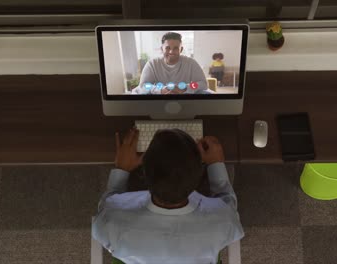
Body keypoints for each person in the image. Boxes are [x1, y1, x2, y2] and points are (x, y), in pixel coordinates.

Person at [92, 127, 244, 264]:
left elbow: (107, 205)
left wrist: (122, 168)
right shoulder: (223, 223)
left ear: (143, 172)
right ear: (199, 174)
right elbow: (228, 204)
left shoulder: (110, 223)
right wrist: (216, 163)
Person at [133, 32, 210, 95]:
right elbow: (144, 85)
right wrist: (160, 90)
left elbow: (203, 84)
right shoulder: (152, 64)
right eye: (168, 48)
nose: (171, 52)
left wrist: (186, 88)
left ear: (181, 49)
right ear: (161, 49)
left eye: (176, 48)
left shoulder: (191, 63)